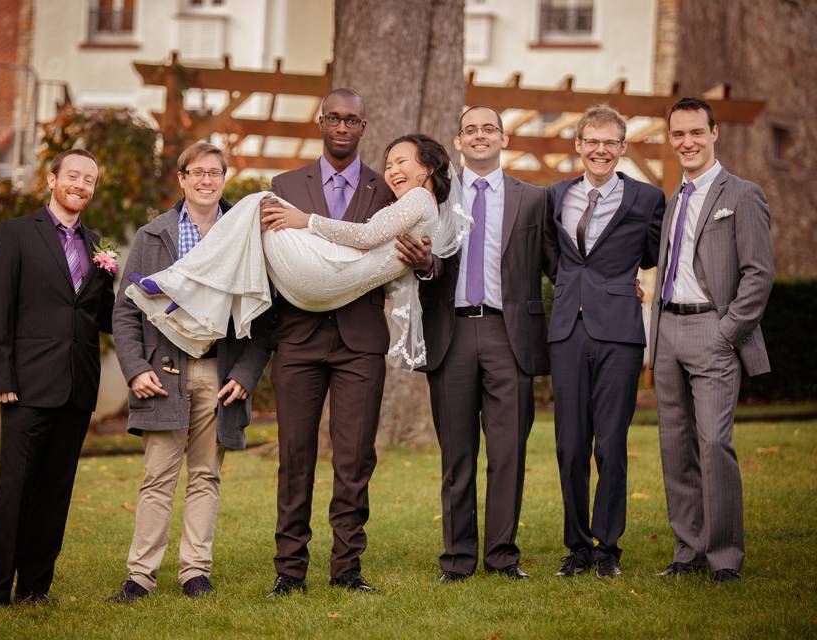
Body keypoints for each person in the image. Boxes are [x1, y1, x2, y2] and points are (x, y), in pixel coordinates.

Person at [127, 124, 455, 596]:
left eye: (403, 161)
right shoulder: (287, 183)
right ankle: (290, 571)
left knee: (355, 460)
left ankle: (347, 569)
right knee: (295, 459)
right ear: (324, 122)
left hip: (358, 341)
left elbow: (411, 258)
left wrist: (422, 263)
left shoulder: (392, 195)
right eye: (391, 163)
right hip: (299, 336)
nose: (394, 170)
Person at [107, 143, 273, 603]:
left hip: (219, 375)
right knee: (158, 476)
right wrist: (135, 369)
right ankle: (140, 576)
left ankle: (195, 571)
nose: (205, 181)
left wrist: (246, 372)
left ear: (224, 179)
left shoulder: (243, 234)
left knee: (205, 475)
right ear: (181, 178)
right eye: (196, 173)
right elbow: (125, 312)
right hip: (163, 375)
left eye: (214, 173)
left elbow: (264, 315)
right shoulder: (152, 235)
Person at [406, 105, 557, 583]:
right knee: (458, 453)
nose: (479, 136)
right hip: (450, 332)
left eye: (488, 128)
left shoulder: (534, 201)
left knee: (508, 450)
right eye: (469, 129)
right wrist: (425, 265)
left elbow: (560, 265)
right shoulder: (435, 200)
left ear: (503, 138)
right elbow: (427, 269)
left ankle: (502, 556)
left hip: (508, 334)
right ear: (458, 141)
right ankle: (457, 559)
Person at [0, 149, 115, 610]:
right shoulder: (16, 233)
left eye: (89, 180)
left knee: (56, 491)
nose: (81, 184)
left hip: (77, 388)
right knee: (15, 490)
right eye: (73, 175)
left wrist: (154, 298)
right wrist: (1, 376)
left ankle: (35, 588)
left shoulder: (97, 246)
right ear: (52, 179)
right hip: (27, 386)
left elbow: (104, 316)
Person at [650, 98, 773, 583]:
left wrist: (727, 333)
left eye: (696, 132)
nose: (687, 142)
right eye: (678, 134)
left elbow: (759, 274)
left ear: (714, 133)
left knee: (715, 443)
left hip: (713, 333)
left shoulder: (742, 194)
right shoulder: (672, 199)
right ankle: (687, 552)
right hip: (667, 333)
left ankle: (724, 557)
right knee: (675, 447)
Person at [547, 105, 665, 579]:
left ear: (621, 148)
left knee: (611, 444)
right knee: (569, 446)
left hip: (619, 332)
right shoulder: (555, 195)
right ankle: (576, 546)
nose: (600, 150)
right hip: (566, 332)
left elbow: (658, 254)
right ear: (578, 145)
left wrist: (634, 285)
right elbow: (551, 256)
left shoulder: (647, 198)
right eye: (591, 141)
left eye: (609, 142)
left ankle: (607, 549)